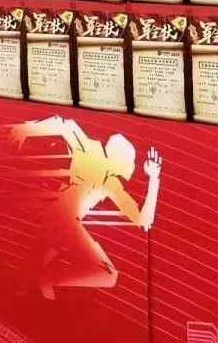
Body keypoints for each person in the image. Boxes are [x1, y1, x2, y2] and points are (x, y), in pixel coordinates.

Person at [9, 115, 162, 298]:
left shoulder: (111, 183)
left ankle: (35, 287)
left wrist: (154, 179)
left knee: (25, 280)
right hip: (63, 217)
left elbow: (143, 221)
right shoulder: (91, 151)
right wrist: (26, 129)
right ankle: (44, 281)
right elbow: (66, 125)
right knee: (106, 273)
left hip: (58, 222)